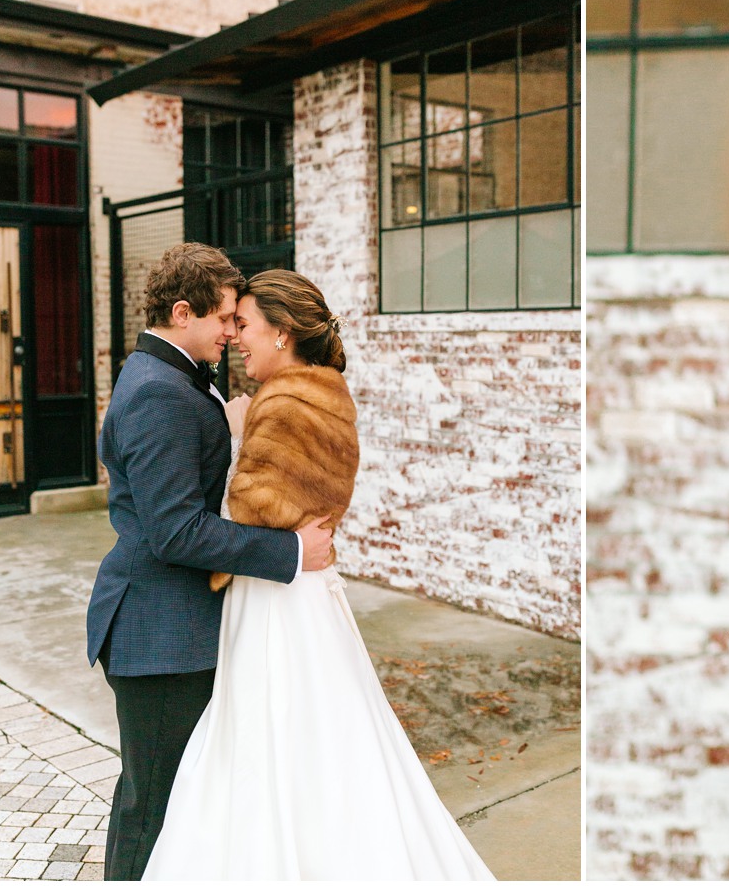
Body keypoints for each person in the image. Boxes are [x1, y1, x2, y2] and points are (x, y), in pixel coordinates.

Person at [142, 269, 494, 880]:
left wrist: (236, 433)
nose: (237, 338)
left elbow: (252, 512)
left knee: (273, 737)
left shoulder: (280, 405)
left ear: (281, 333)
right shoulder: (329, 392)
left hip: (275, 594)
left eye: (245, 325)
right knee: (326, 734)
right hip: (305, 587)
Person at [87, 244, 336, 881]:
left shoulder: (171, 380)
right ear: (181, 312)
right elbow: (175, 531)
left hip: (176, 630)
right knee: (155, 805)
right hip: (160, 636)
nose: (232, 331)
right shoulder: (159, 391)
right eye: (225, 317)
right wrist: (290, 552)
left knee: (178, 800)